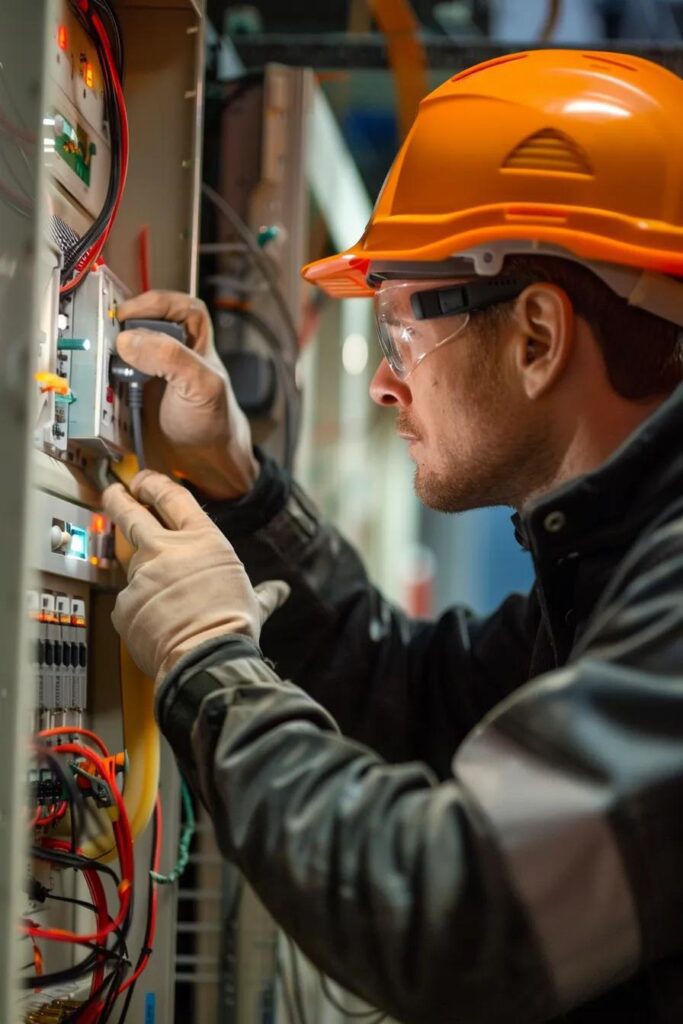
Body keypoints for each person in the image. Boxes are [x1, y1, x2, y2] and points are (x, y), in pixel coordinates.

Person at [103, 50, 683, 1023]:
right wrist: (238, 488)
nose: (380, 380)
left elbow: (457, 916)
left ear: (536, 335)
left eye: (401, 324)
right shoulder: (616, 562)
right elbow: (412, 697)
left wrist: (211, 662)